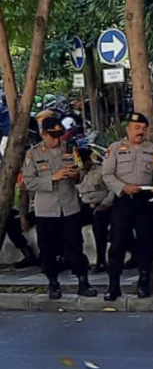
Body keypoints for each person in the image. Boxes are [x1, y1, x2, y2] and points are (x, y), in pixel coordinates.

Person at [20, 117, 97, 299]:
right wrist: (52, 178)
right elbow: (29, 182)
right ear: (43, 134)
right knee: (48, 248)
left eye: (59, 135)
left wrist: (75, 175)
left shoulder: (70, 149)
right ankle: (53, 283)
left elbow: (80, 173)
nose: (57, 139)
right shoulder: (33, 154)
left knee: (75, 246)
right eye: (53, 136)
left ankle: (83, 281)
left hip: (69, 207)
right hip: (46, 209)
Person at [101, 112, 153, 301]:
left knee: (146, 242)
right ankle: (113, 285)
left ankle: (143, 284)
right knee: (117, 243)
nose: (140, 132)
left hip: (145, 200)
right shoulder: (115, 148)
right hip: (123, 199)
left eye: (144, 128)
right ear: (128, 128)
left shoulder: (152, 148)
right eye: (137, 128)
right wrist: (123, 187)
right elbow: (107, 175)